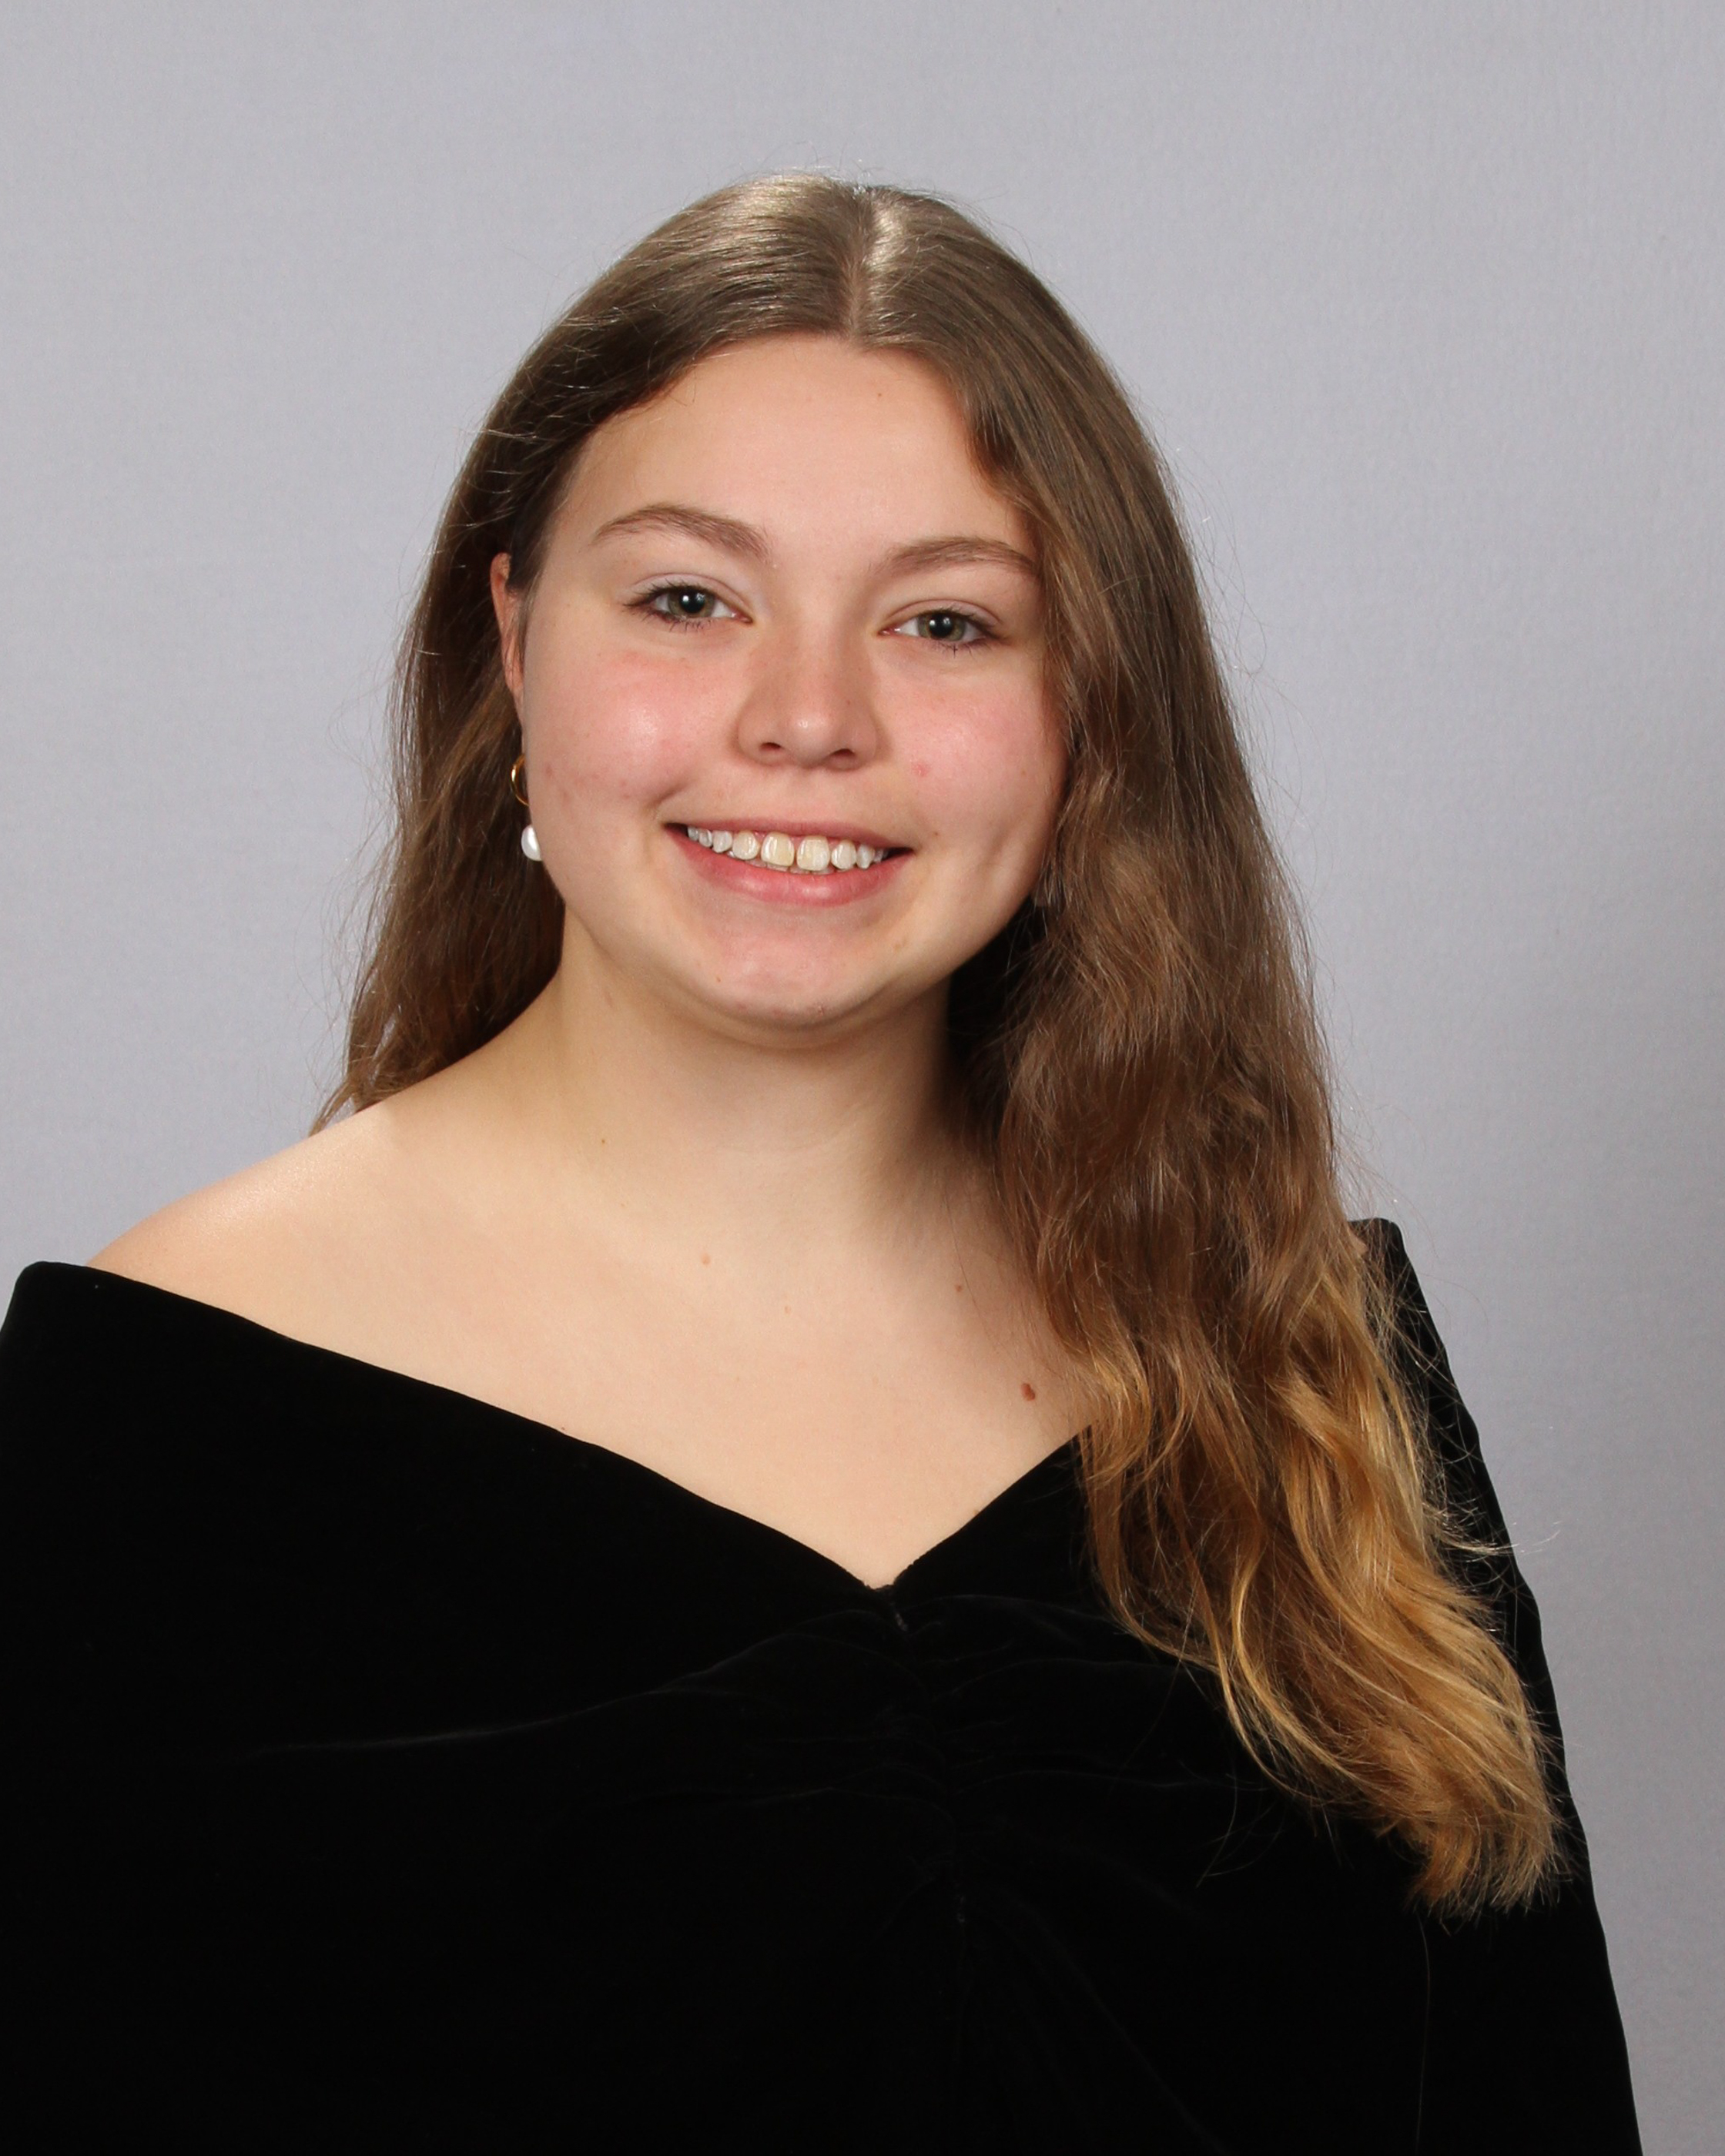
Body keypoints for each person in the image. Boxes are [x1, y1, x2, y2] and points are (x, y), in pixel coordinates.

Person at [0, 176, 1639, 2151]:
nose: (807, 720)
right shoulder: (163, 1404)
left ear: (1089, 712)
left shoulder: (1297, 1356)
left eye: (945, 621)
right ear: (512, 639)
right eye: (688, 598)